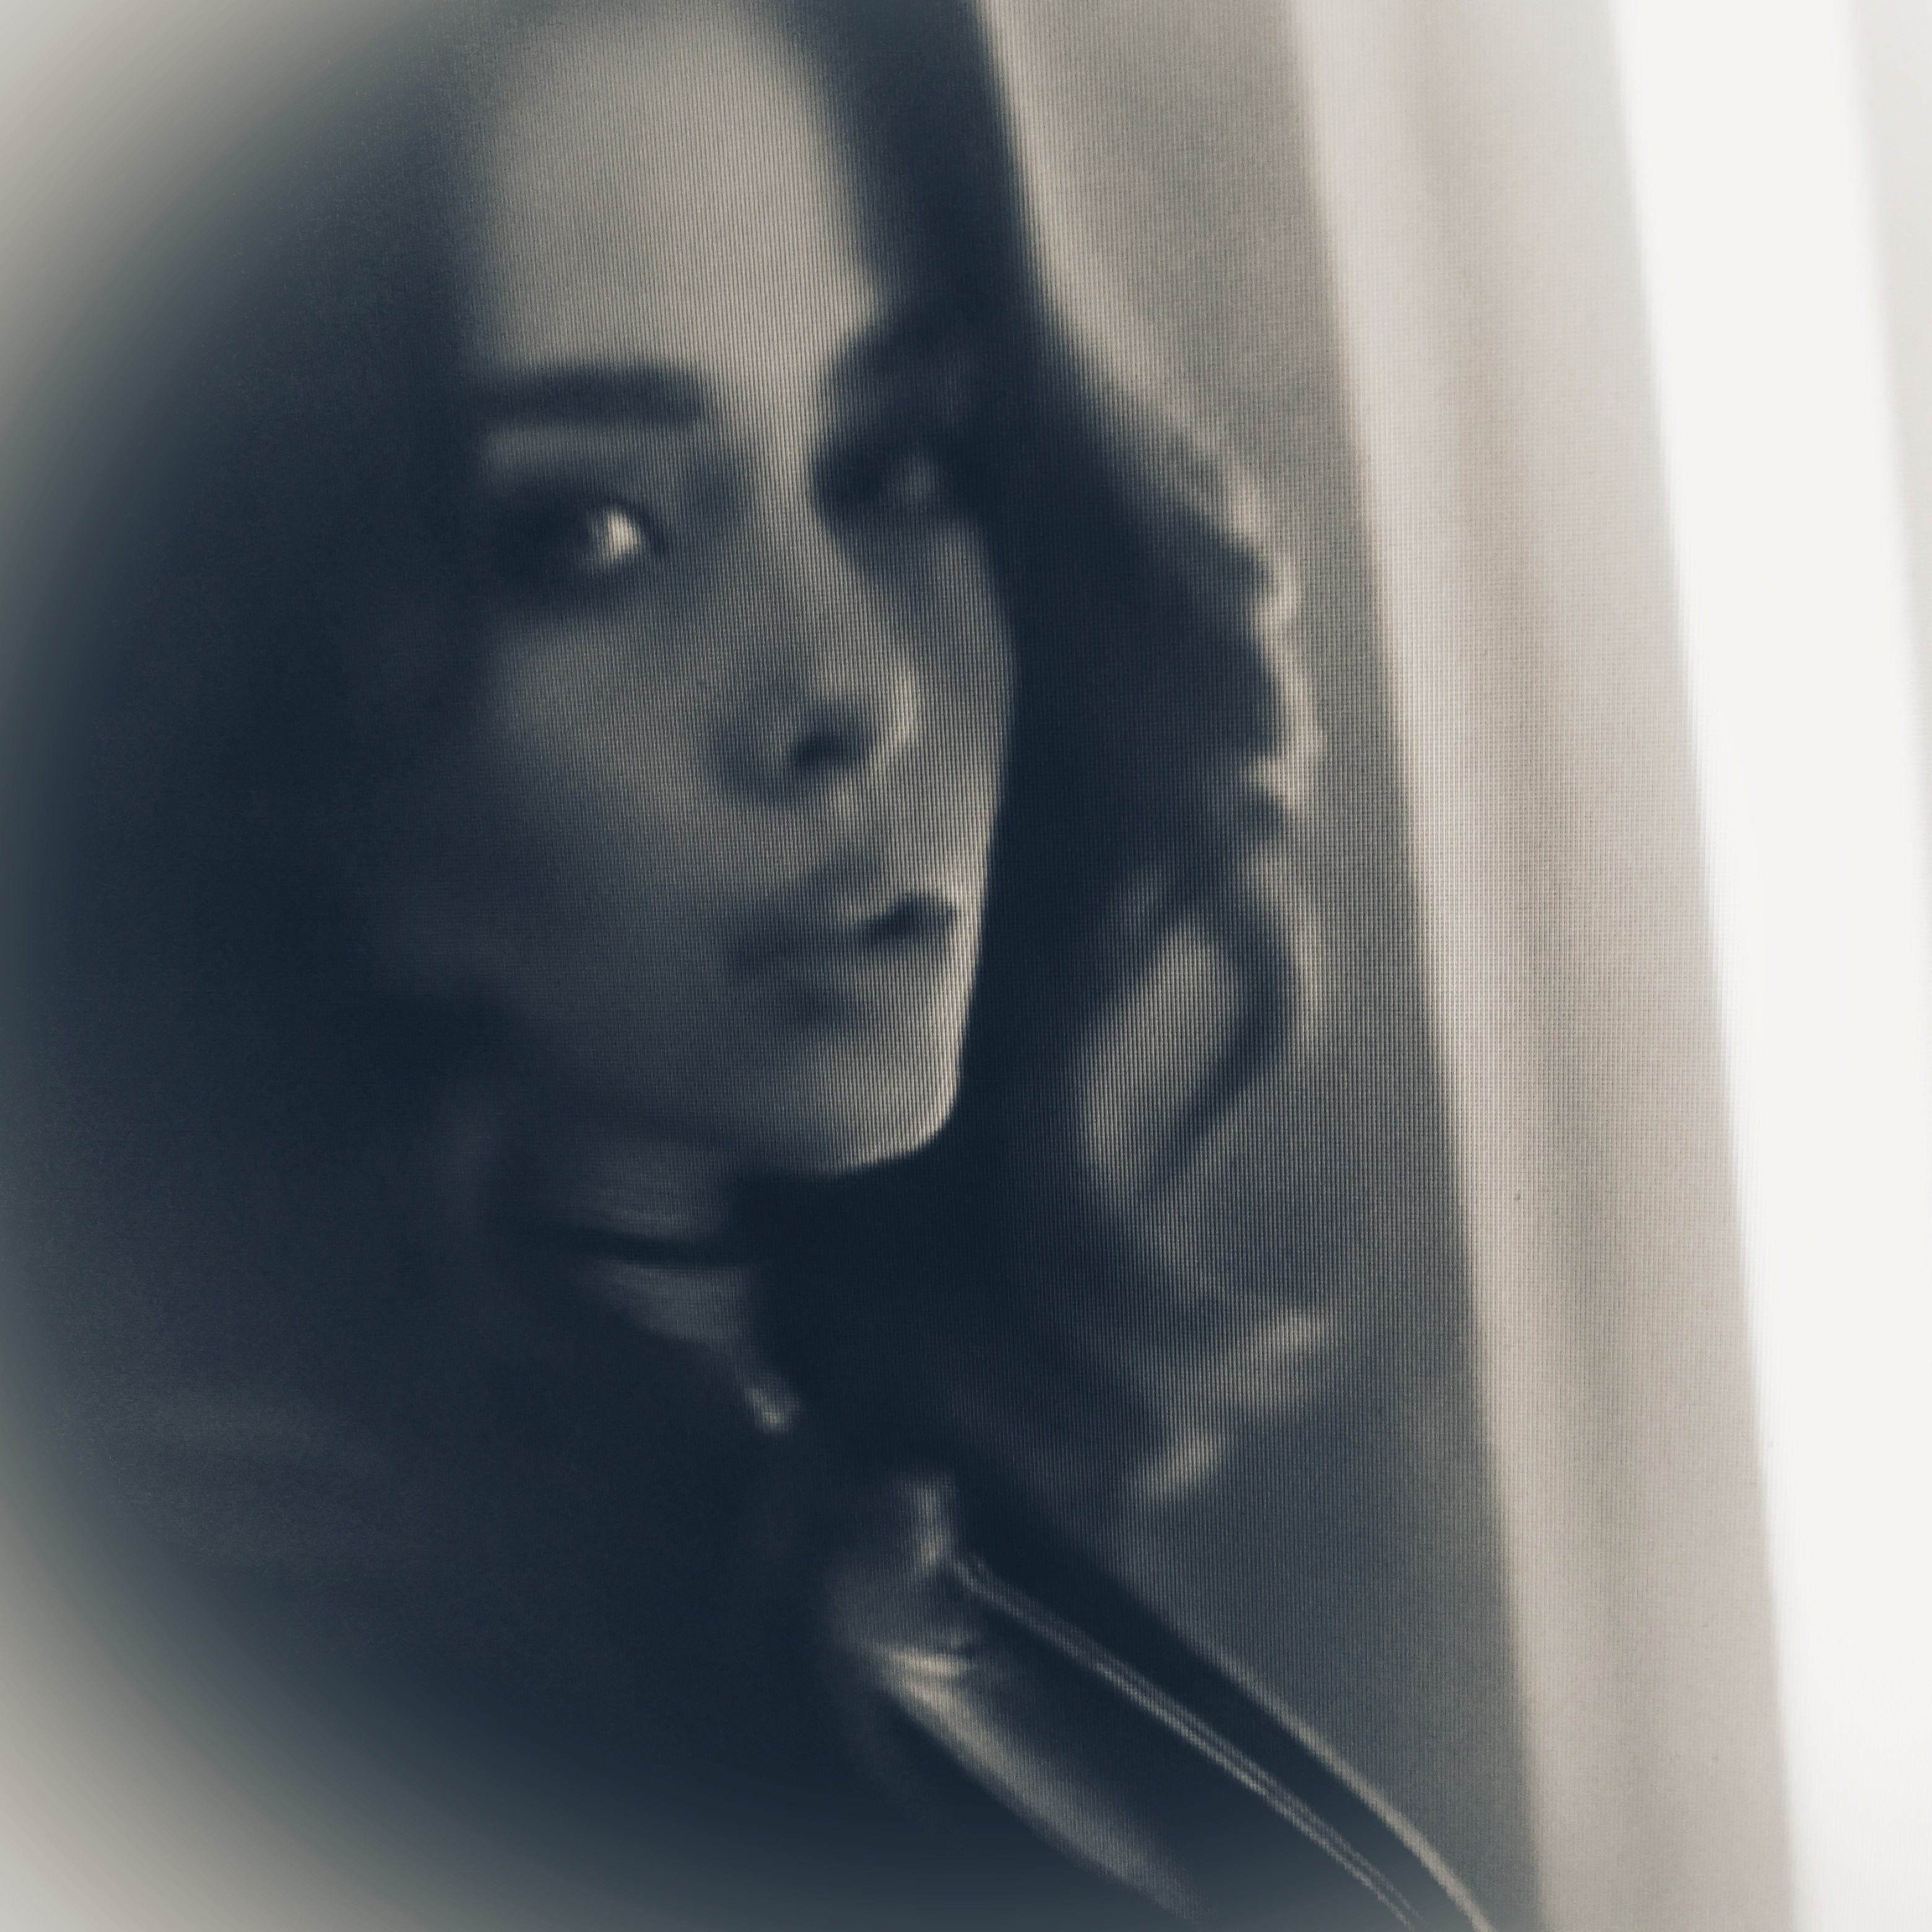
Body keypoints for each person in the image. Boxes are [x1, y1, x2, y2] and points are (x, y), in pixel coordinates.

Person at [4, 2, 1494, 1927]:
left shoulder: (844, 1460)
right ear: (224, 678)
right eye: (589, 532)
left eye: (896, 459)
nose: (854, 688)